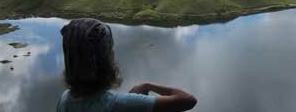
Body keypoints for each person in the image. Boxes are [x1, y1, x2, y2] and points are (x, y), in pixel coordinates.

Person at [56, 18, 197, 112]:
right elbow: (188, 100)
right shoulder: (117, 103)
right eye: (110, 50)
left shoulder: (65, 100)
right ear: (104, 61)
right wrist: (148, 85)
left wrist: (133, 96)